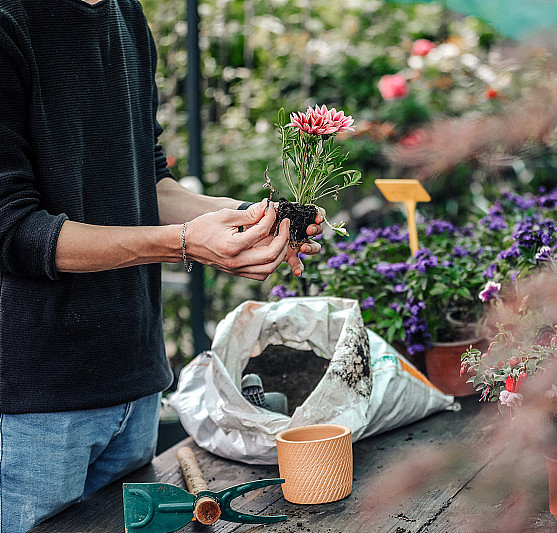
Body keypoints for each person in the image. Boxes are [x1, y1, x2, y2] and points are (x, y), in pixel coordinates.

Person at [0, 1, 320, 530]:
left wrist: (257, 219)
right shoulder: (11, 22)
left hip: (134, 381)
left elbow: (150, 183)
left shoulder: (125, 14)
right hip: (37, 404)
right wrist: (184, 243)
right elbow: (13, 230)